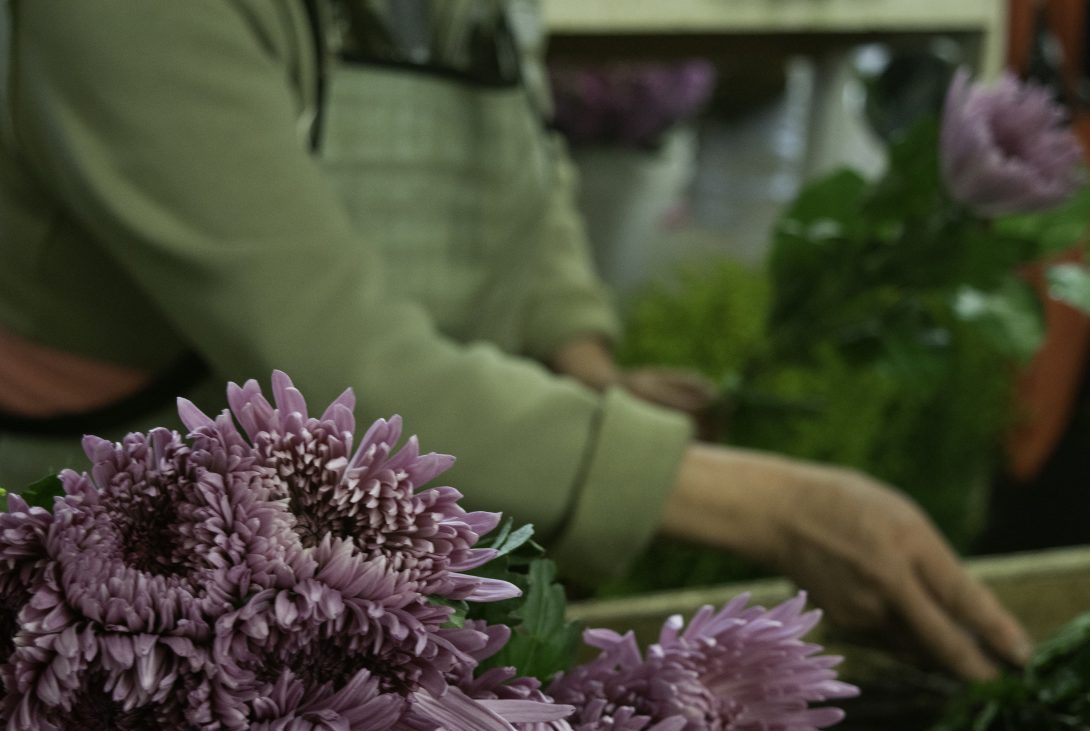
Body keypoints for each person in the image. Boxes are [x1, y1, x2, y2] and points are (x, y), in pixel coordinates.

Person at [0, 0, 1029, 680]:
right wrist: (779, 505)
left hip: (376, 538)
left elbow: (522, 176)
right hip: (122, 583)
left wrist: (584, 356)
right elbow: (329, 354)